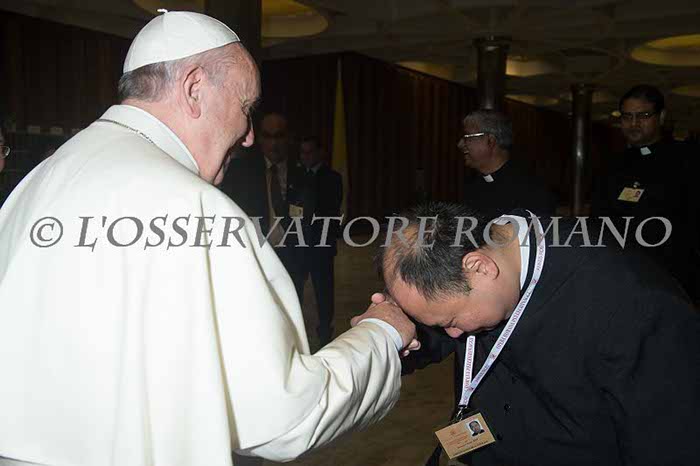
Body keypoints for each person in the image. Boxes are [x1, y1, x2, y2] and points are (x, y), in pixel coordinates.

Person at [0, 11, 419, 466]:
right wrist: (380, 333)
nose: (249, 136)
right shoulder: (194, 206)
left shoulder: (39, 180)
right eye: (245, 108)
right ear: (194, 88)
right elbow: (283, 419)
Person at [362, 201, 700, 466]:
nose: (451, 333)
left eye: (450, 320)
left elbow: (669, 445)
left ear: (480, 267)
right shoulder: (474, 252)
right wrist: (388, 337)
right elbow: (431, 330)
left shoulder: (637, 305)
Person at [591, 84, 698, 300]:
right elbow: (599, 222)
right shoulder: (612, 165)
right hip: (621, 276)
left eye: (643, 116)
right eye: (627, 116)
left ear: (661, 117)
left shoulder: (686, 160)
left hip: (672, 280)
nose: (633, 124)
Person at [222, 112, 304, 283]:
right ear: (259, 138)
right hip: (256, 258)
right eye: (268, 136)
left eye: (279, 136)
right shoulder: (240, 172)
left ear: (288, 138)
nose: (273, 144)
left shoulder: (302, 172)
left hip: (293, 258)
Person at [459, 110, 557, 220]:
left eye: (467, 137)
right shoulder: (471, 185)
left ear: (491, 141)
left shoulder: (531, 189)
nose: (460, 144)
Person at [292, 136, 343, 345]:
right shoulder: (295, 176)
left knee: (323, 292)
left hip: (321, 244)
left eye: (309, 152)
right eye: (302, 152)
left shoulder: (332, 177)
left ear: (320, 153)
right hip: (298, 243)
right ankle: (296, 332)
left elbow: (332, 209)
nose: (305, 156)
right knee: (295, 289)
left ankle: (324, 333)